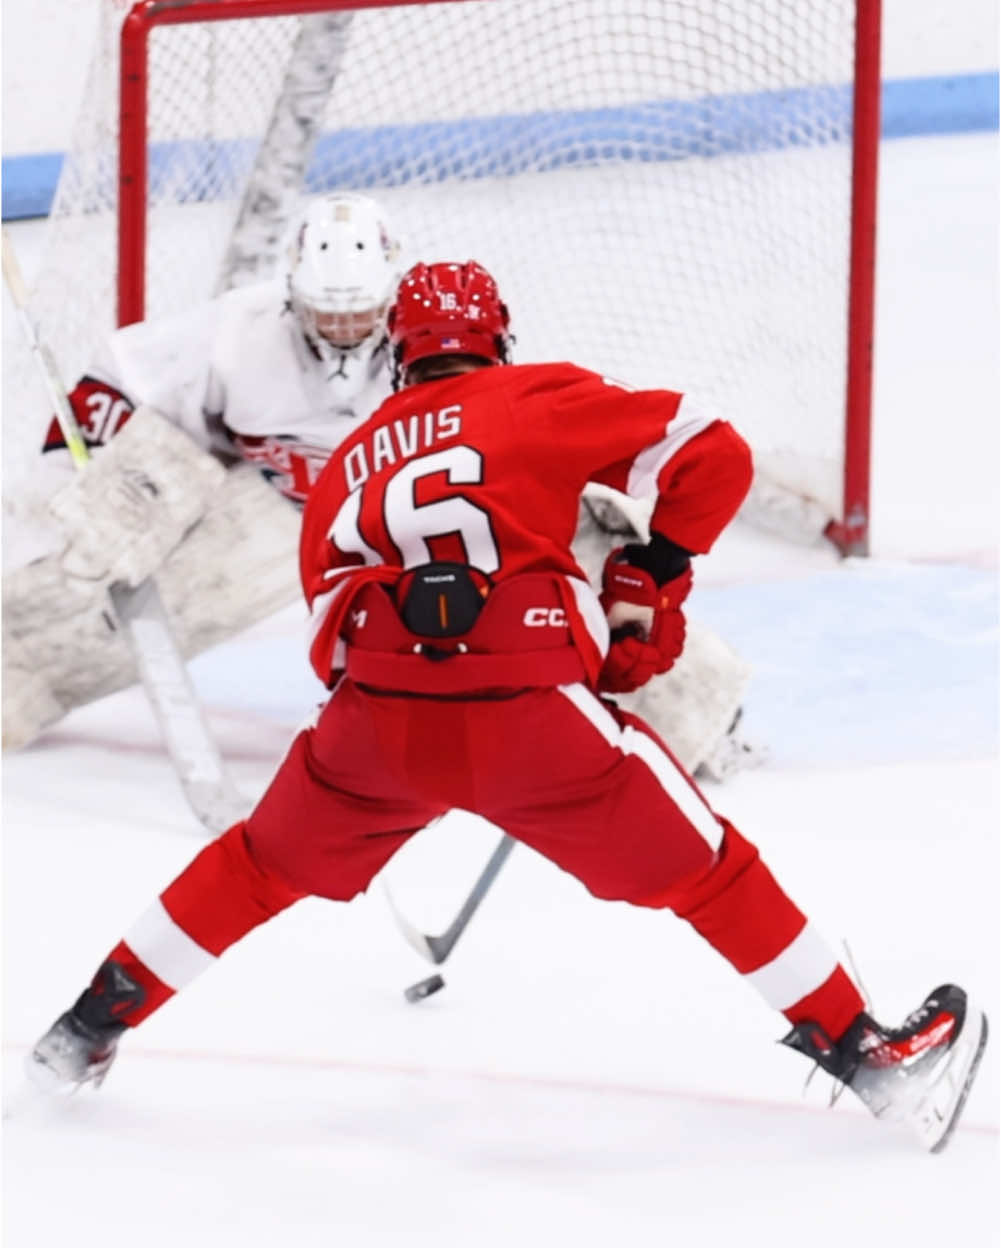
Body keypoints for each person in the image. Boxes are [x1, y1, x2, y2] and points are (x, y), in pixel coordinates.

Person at [27, 260, 987, 1154]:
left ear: (400, 352)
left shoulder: (350, 459)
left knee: (252, 868)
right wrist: (648, 575)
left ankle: (82, 1030)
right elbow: (712, 454)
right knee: (710, 871)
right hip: (534, 716)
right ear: (499, 340)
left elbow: (329, 637)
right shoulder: (536, 396)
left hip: (375, 724)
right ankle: (865, 1055)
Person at [2, 193, 758, 780]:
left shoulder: (441, 339)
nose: (342, 327)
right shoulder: (239, 328)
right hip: (282, 508)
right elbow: (117, 383)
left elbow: (537, 427)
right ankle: (15, 674)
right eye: (326, 310)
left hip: (442, 510)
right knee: (109, 584)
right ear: (291, 291)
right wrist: (92, 470)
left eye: (361, 310)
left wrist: (617, 528)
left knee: (591, 579)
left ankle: (695, 716)